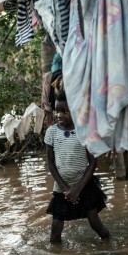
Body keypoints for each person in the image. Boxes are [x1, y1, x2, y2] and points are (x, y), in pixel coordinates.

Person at [44, 90, 110, 243]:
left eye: (64, 111)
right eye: (57, 111)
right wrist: (65, 188)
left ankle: (110, 244)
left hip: (84, 185)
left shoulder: (84, 132)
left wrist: (77, 189)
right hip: (62, 188)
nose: (59, 115)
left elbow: (93, 163)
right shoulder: (52, 132)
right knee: (55, 229)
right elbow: (51, 164)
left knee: (95, 222)